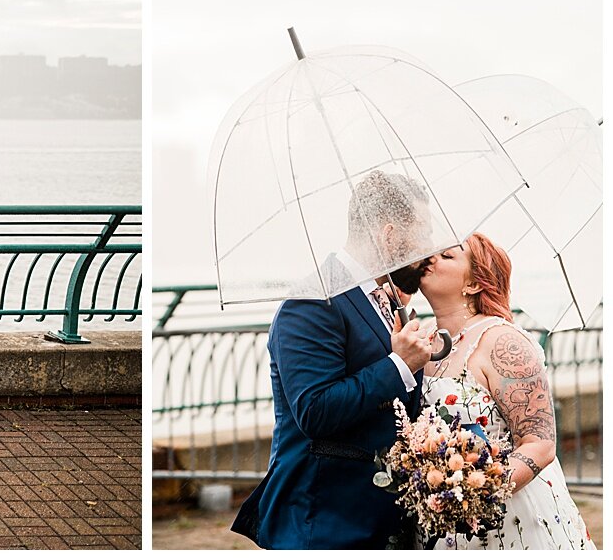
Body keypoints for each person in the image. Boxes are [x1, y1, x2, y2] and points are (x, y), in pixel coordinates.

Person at [232, 170, 440, 549]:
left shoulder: (384, 298)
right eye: (423, 233)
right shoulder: (312, 301)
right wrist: (399, 365)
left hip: (377, 518)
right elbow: (315, 410)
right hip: (324, 522)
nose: (429, 247)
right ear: (389, 235)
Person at [412, 233, 594, 549]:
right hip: (438, 523)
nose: (431, 258)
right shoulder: (422, 341)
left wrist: (476, 495)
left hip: (504, 522)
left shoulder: (502, 341)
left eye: (448, 256)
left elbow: (539, 444)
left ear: (473, 284)